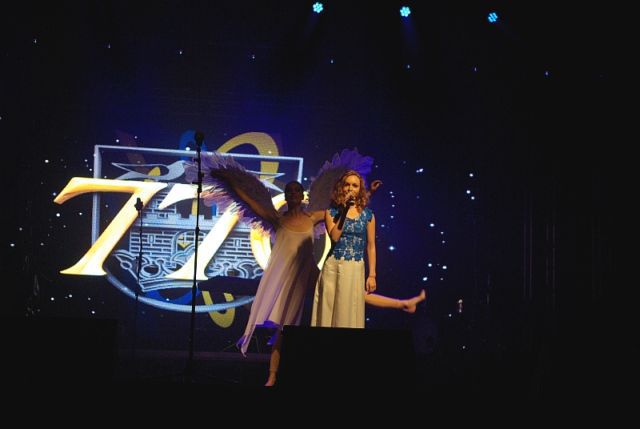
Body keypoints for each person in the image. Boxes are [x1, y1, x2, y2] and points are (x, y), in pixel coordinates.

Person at [311, 169, 376, 328]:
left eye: (355, 185)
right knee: (329, 310)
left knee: (349, 310)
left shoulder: (368, 215)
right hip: (333, 267)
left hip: (355, 267)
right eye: (347, 184)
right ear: (341, 187)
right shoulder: (331, 212)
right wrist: (344, 211)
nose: (350, 188)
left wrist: (372, 275)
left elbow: (371, 246)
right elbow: (334, 237)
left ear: (360, 189)